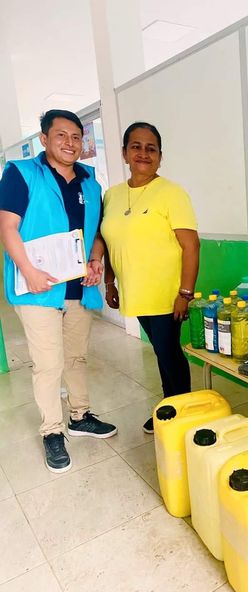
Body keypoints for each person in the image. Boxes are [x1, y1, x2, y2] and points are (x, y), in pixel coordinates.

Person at [0, 109, 117, 474]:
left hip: (78, 287)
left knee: (76, 357)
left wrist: (95, 259)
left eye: (76, 136)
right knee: (49, 364)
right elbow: (7, 227)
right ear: (44, 138)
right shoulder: (21, 173)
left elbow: (96, 233)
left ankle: (80, 416)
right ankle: (52, 431)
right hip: (38, 288)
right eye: (61, 135)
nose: (70, 142)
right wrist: (29, 271)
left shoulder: (91, 183)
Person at [100, 122, 200, 433]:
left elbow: (191, 245)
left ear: (160, 156)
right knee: (161, 351)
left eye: (151, 148)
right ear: (124, 153)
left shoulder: (172, 193)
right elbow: (110, 241)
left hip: (166, 293)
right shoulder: (112, 196)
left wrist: (185, 293)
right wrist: (109, 281)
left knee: (168, 352)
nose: (143, 153)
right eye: (136, 146)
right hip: (135, 292)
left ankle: (180, 413)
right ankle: (171, 406)